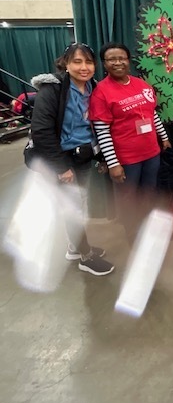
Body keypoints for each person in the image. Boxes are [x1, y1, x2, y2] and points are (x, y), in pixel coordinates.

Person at [30, 42, 115, 276]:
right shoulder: (52, 89)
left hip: (83, 156)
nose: (84, 67)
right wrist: (61, 167)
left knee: (79, 204)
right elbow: (41, 130)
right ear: (65, 64)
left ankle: (75, 247)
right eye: (77, 61)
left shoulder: (93, 87)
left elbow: (95, 126)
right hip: (61, 159)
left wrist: (100, 156)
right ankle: (85, 257)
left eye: (88, 62)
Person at [89, 42, 171, 239]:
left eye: (121, 58)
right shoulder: (101, 92)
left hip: (151, 153)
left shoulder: (141, 85)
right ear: (104, 64)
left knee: (149, 193)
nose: (118, 63)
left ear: (128, 60)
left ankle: (147, 228)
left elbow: (152, 114)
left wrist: (164, 137)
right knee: (128, 198)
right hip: (126, 159)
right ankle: (132, 234)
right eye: (111, 59)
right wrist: (113, 164)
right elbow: (102, 131)